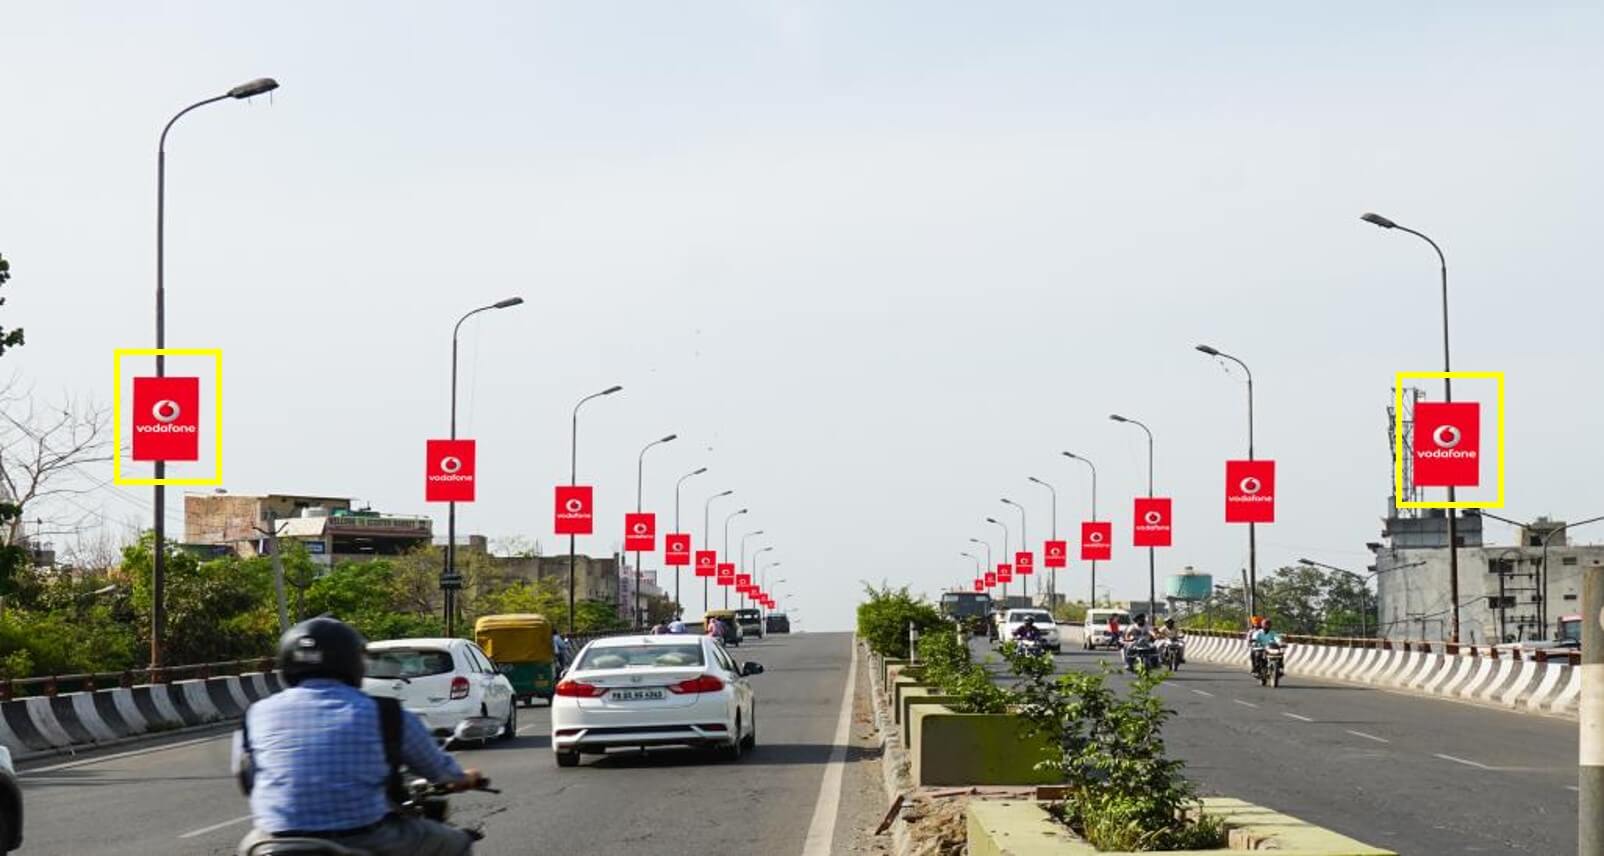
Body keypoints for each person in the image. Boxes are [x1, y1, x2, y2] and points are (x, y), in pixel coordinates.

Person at [233, 617, 482, 856]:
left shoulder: (256, 714)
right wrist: (466, 778)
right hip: (363, 837)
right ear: (353, 663)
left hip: (275, 840)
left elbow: (248, 779)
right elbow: (440, 772)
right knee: (455, 843)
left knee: (247, 848)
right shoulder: (386, 713)